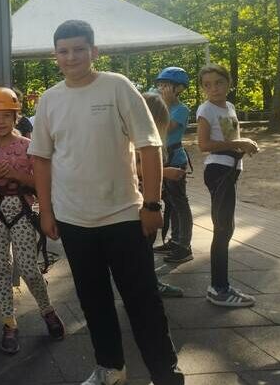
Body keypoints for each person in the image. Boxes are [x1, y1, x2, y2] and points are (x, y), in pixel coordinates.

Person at [29, 20, 183, 385]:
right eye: (64, 51)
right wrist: (46, 211)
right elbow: (41, 159)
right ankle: (110, 367)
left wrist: (152, 205)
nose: (71, 57)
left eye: (79, 49)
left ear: (94, 52)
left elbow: (149, 146)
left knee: (143, 300)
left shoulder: (117, 86)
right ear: (55, 56)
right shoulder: (50, 99)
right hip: (73, 220)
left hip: (124, 216)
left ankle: (165, 374)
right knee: (93, 301)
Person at [0, 87, 65, 354]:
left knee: (28, 268)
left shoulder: (29, 147)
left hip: (22, 209)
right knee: (1, 267)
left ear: (16, 117)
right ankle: (8, 323)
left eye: (6, 116)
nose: (0, 121)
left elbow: (41, 182)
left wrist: (17, 175)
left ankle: (47, 310)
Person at [196, 64, 259, 308]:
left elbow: (230, 139)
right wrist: (240, 143)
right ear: (203, 88)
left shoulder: (229, 106)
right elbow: (203, 145)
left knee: (225, 228)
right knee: (223, 229)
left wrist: (244, 145)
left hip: (229, 169)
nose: (213, 88)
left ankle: (220, 286)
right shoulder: (206, 109)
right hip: (218, 170)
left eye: (218, 82)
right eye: (207, 85)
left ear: (228, 83)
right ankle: (218, 288)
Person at [142, 93, 186, 299]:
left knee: (145, 244)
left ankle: (147, 282)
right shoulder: (139, 143)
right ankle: (147, 286)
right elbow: (131, 168)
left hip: (146, 200)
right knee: (143, 245)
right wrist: (165, 172)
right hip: (142, 204)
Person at [151, 68, 194, 264]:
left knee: (180, 204)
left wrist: (166, 104)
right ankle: (175, 241)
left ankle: (184, 246)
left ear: (179, 89)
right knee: (171, 204)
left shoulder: (181, 109)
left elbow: (165, 127)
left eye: (166, 86)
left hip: (175, 160)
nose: (161, 89)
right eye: (160, 85)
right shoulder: (160, 106)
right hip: (162, 159)